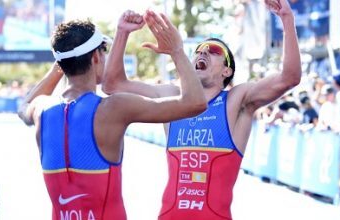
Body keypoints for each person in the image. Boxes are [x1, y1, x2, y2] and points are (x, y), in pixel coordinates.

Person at [103, 1, 301, 219]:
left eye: (214, 51)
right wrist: (121, 33)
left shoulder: (237, 101)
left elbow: (289, 78)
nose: (203, 53)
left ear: (227, 71)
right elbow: (112, 85)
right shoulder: (172, 97)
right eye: (198, 51)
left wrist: (287, 20)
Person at [17, 12, 207, 220]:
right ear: (96, 57)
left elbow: (24, 105)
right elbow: (195, 103)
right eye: (103, 52)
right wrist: (177, 50)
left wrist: (61, 65)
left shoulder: (41, 109)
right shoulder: (113, 108)